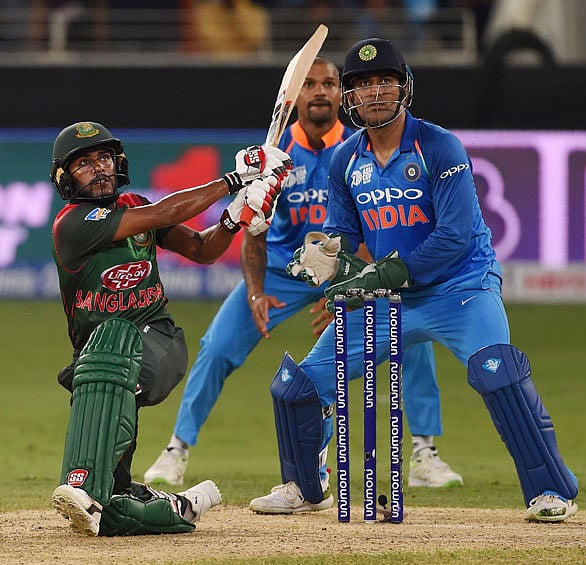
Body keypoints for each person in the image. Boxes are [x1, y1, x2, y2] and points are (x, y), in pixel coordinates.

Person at [250, 38, 578, 522]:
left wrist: (384, 273)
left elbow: (454, 237)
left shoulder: (439, 147)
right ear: (350, 97)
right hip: (389, 297)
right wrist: (322, 253)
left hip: (460, 288)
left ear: (403, 87)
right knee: (297, 386)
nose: (375, 92)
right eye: (363, 84)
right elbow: (343, 232)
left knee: (498, 373)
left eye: (385, 81)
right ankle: (304, 485)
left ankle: (551, 491)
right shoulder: (345, 159)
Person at [144, 57, 463, 496]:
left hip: (349, 266)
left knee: (409, 333)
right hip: (282, 268)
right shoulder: (275, 155)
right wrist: (255, 293)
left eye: (329, 83)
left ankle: (425, 453)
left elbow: (373, 230)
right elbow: (254, 230)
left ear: (340, 94)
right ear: (294, 97)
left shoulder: (360, 147)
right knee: (216, 346)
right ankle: (176, 450)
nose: (319, 91)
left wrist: (347, 288)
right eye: (309, 83)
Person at [48, 120, 290, 536]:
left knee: (115, 340)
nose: (99, 168)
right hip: (98, 363)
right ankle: (176, 504)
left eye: (104, 157)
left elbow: (201, 249)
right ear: (64, 178)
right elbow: (162, 212)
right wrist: (235, 181)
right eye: (84, 163)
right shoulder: (72, 224)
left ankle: (80, 485)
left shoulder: (133, 204)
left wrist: (233, 219)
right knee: (113, 506)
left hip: (156, 342)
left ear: (119, 163)